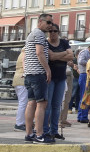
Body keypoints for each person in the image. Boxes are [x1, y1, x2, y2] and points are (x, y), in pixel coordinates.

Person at [23, 15, 53, 144]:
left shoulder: (32, 34)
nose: (50, 25)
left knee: (31, 103)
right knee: (42, 104)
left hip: (29, 73)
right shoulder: (39, 34)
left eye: (51, 23)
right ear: (40, 22)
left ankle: (29, 133)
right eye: (48, 22)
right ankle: (39, 135)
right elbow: (39, 52)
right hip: (38, 73)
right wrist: (47, 69)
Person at [43, 23, 73, 141]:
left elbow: (71, 56)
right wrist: (64, 53)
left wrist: (57, 55)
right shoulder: (45, 43)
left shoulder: (64, 42)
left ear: (58, 32)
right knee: (47, 105)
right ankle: (45, 130)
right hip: (49, 78)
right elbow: (50, 57)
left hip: (61, 77)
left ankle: (54, 131)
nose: (52, 33)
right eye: (50, 31)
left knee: (57, 106)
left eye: (55, 31)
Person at [12, 48, 27, 132]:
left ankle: (22, 122)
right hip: (22, 80)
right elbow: (25, 64)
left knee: (23, 102)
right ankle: (19, 123)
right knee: (23, 102)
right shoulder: (26, 52)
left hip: (18, 79)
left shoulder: (22, 52)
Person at [76, 46, 90, 124]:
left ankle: (81, 116)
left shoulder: (85, 52)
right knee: (85, 96)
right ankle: (83, 116)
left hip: (84, 75)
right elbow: (81, 61)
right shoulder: (85, 52)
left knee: (83, 96)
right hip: (84, 75)